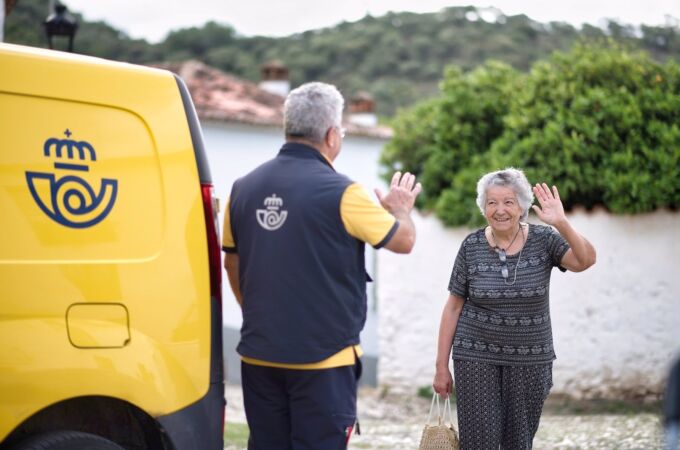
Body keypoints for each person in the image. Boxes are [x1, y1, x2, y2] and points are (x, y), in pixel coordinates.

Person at [222, 82, 422, 450]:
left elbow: (231, 264)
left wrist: (259, 314)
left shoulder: (242, 188)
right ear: (332, 135)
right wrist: (399, 210)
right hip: (324, 361)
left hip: (259, 355)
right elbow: (403, 241)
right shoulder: (345, 193)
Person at [432, 168, 596, 449]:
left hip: (530, 358)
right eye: (492, 202)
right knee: (479, 442)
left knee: (518, 441)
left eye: (508, 202)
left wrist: (562, 223)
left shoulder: (545, 240)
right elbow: (453, 307)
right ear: (483, 207)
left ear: (521, 206)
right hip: (475, 354)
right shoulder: (471, 246)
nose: (499, 210)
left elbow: (585, 260)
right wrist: (440, 368)